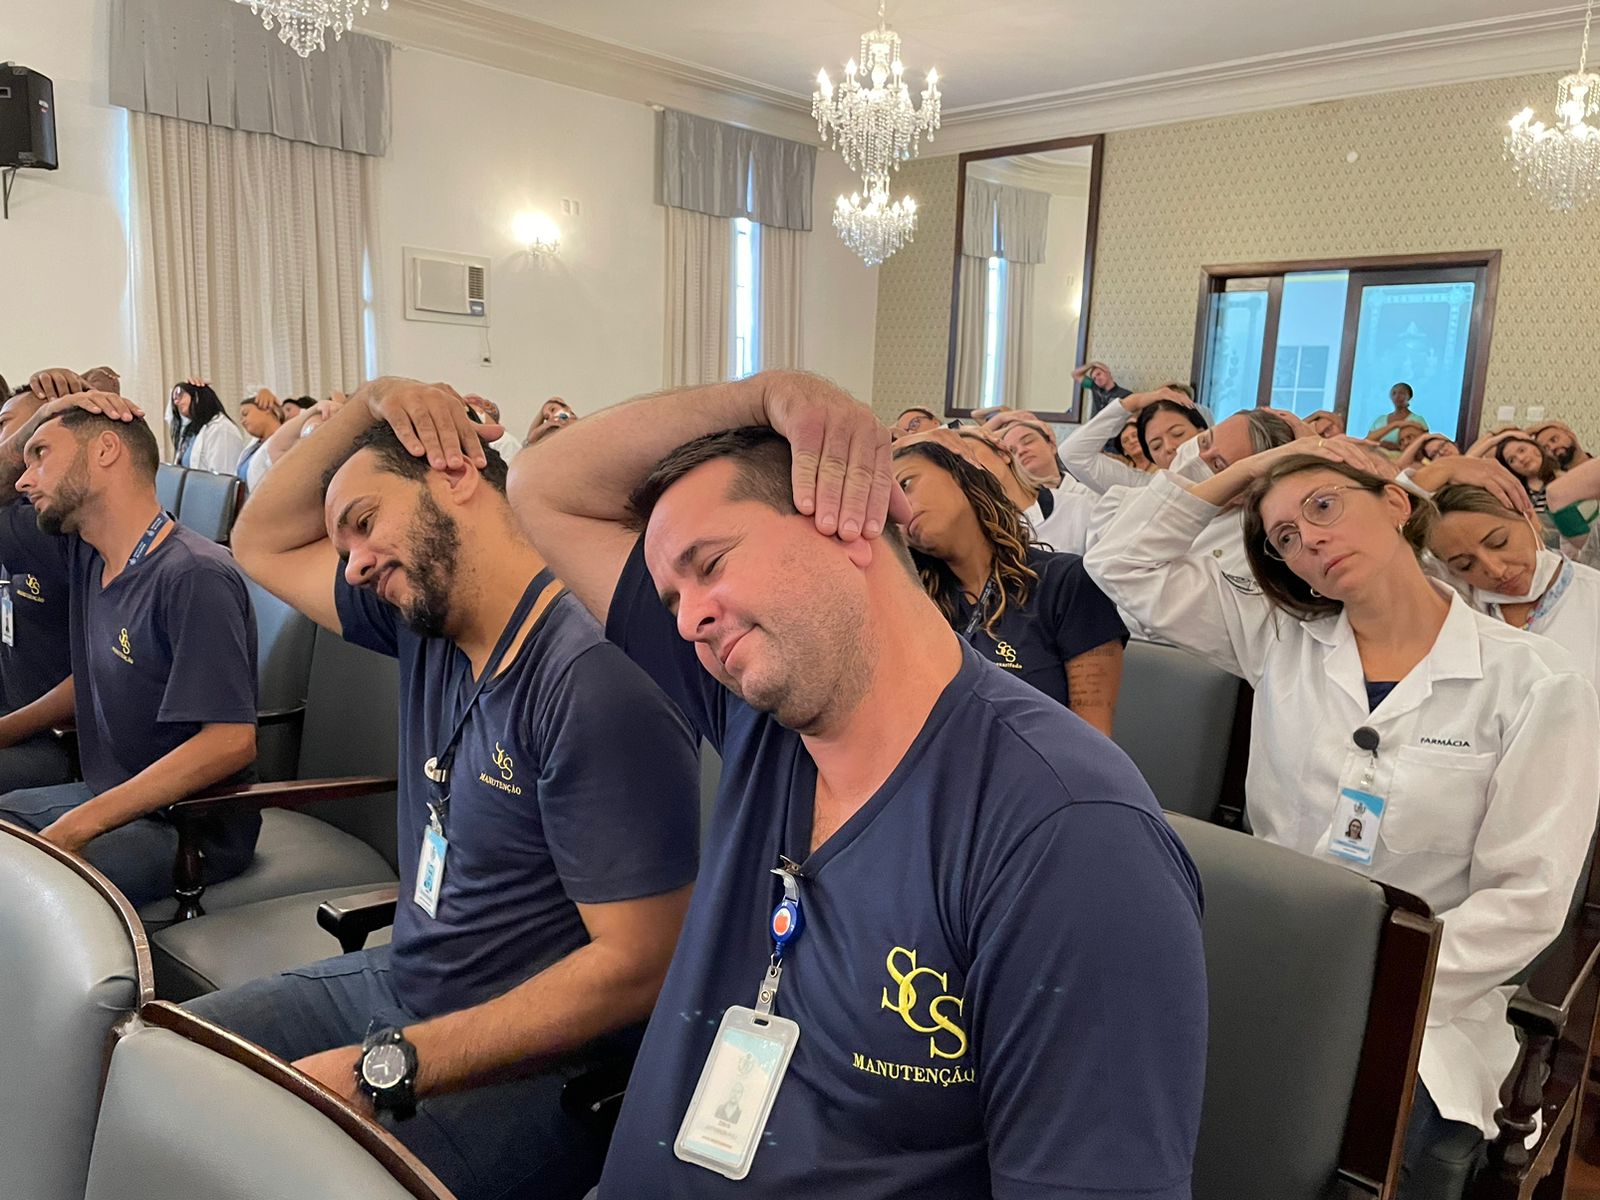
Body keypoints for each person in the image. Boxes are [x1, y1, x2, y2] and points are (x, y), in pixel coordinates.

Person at [508, 368, 1208, 1199]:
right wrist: (765, 393)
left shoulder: (1070, 836)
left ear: (845, 519)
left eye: (711, 564)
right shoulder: (762, 714)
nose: (689, 618)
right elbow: (544, 487)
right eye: (673, 599)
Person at [191, 379, 701, 1200]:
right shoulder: (420, 617)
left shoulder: (592, 682)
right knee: (171, 1062)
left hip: (529, 1060)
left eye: (364, 522)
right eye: (343, 545)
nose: (354, 564)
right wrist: (370, 403)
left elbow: (641, 965)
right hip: (402, 983)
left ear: (456, 472)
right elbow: (260, 541)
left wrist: (397, 1063)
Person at [1084, 437, 1600, 1194]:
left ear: (1395, 503)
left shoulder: (1533, 682)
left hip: (1424, 1002)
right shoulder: (1277, 639)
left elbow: (1526, 900)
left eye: (1325, 506)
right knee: (1119, 1087)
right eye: (1286, 537)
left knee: (1319, 1140)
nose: (1310, 540)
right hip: (1263, 957)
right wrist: (1255, 466)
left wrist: (1368, 986)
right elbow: (1119, 562)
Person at [0, 388, 261, 907]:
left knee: (15, 889)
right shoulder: (89, 555)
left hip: (185, 826)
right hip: (109, 797)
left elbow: (231, 741)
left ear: (105, 451)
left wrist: (77, 826)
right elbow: (95, 677)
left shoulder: (194, 575)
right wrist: (48, 412)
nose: (24, 480)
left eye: (41, 454)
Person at [893, 439, 1126, 731]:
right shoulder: (920, 609)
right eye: (889, 514)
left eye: (905, 484)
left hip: (1045, 758)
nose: (900, 512)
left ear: (960, 474)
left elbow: (1093, 735)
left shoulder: (1066, 583)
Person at [1426, 481, 1600, 690]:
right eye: (1465, 565)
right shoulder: (1458, 615)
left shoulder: (1593, 596)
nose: (1496, 570)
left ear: (1530, 517)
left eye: (1499, 542)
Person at [0, 376, 77, 792]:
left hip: (56, 740)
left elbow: (96, 675)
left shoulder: (53, 528)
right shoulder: (16, 516)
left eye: (5, 425)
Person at [1061, 385, 1208, 493]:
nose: (1169, 447)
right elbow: (1072, 454)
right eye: (1156, 446)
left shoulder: (1223, 478)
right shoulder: (1144, 488)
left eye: (1177, 434)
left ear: (1202, 432)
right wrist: (1134, 402)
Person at [993, 417, 1097, 554]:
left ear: (1052, 445)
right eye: (1012, 451)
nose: (1021, 451)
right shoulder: (1013, 516)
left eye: (1028, 441)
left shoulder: (1091, 496)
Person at [169, 380, 250, 474]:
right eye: (174, 398)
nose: (176, 402)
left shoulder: (222, 429)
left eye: (180, 395)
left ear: (197, 396)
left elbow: (224, 476)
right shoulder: (191, 430)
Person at [236, 388, 284, 492]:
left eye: (245, 414)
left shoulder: (285, 441)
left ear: (266, 408)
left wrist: (264, 391)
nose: (242, 421)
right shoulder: (255, 445)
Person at [1368, 382, 1430, 447]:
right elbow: (1366, 442)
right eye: (1394, 393)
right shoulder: (1380, 420)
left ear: (1409, 397)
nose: (1397, 396)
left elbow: (1425, 445)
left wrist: (1397, 447)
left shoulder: (1417, 420)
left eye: (1401, 393)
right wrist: (1381, 444)